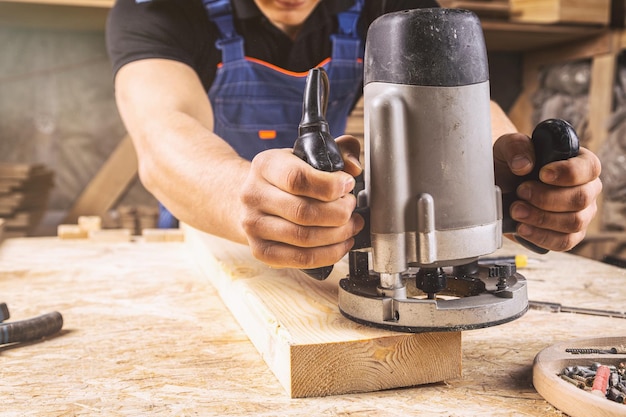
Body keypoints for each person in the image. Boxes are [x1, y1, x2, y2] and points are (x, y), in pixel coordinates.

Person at [106, 0, 603, 271]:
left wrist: (504, 168)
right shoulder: (157, 9)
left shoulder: (386, 5)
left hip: (327, 222)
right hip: (210, 228)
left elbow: (455, 95)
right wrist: (245, 201)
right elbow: (162, 136)